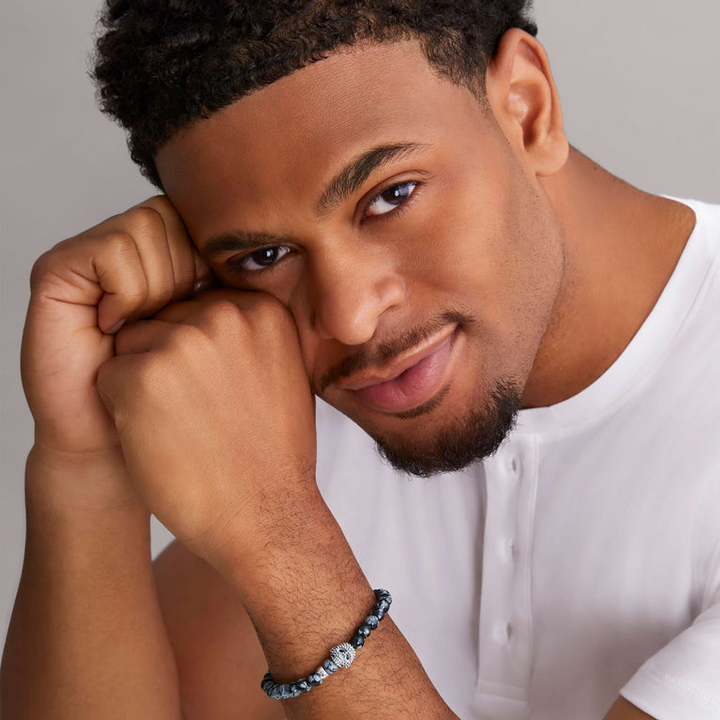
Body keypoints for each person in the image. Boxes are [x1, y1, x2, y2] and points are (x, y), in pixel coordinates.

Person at [2, 0, 718, 718]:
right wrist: (82, 468)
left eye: (391, 196)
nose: (348, 317)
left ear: (526, 110)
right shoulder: (309, 403)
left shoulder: (288, 477)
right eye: (265, 255)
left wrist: (285, 547)